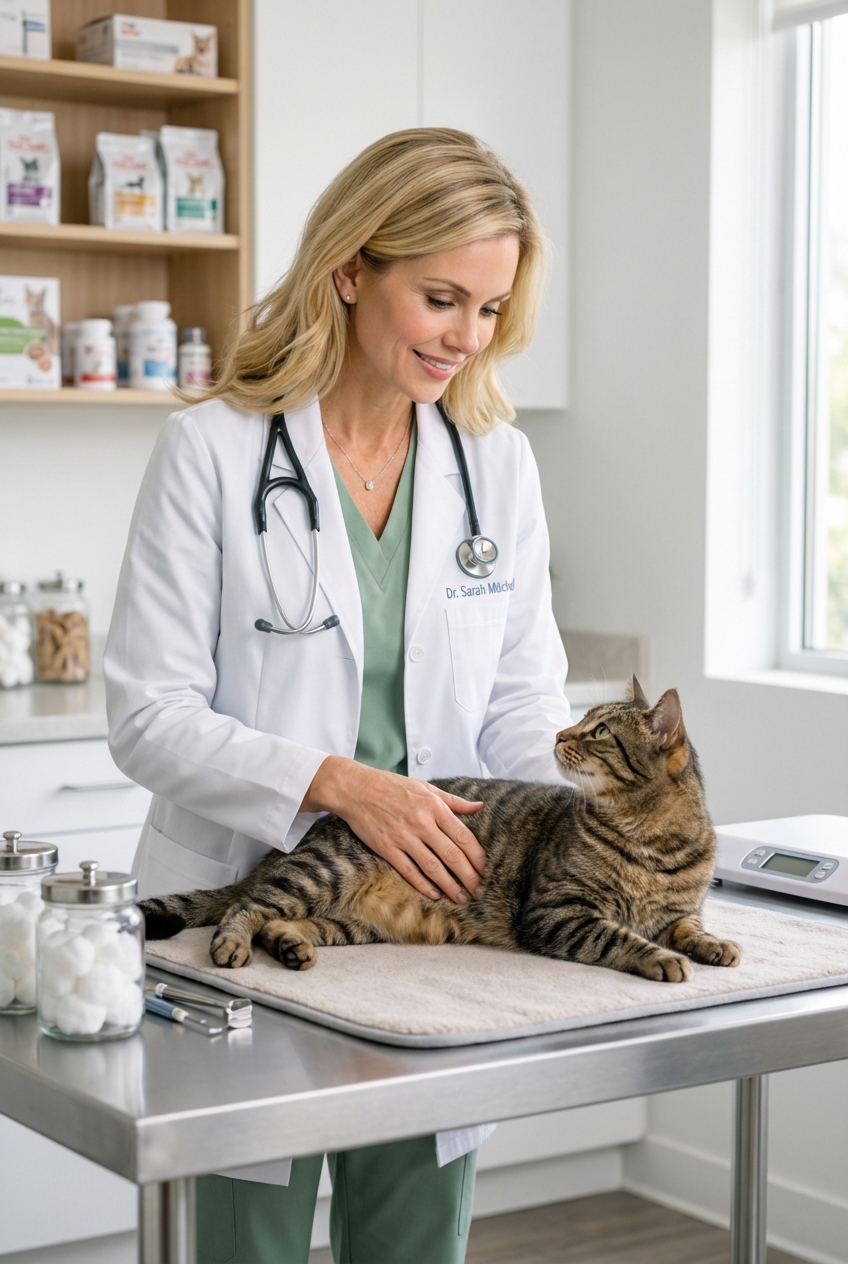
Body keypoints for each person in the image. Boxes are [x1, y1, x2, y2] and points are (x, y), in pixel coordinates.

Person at [105, 127, 570, 1264]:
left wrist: (580, 834)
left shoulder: (491, 462)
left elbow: (520, 706)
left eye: (490, 309)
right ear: (351, 271)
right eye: (439, 298)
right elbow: (148, 712)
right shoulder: (212, 451)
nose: (466, 338)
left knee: (413, 1240)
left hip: (431, 923)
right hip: (244, 919)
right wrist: (338, 786)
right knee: (245, 1237)